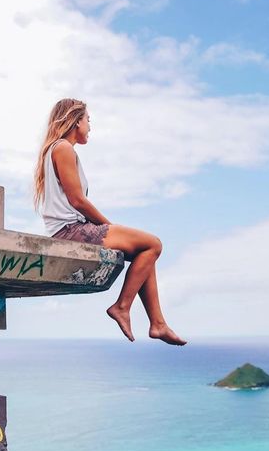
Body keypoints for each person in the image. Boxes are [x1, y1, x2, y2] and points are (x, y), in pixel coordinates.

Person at [34, 98, 187, 346]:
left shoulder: (59, 149)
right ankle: (122, 307)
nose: (90, 127)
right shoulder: (63, 148)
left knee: (145, 253)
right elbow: (77, 201)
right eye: (88, 120)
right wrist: (108, 226)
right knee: (153, 244)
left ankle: (158, 323)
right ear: (75, 121)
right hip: (71, 231)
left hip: (72, 229)